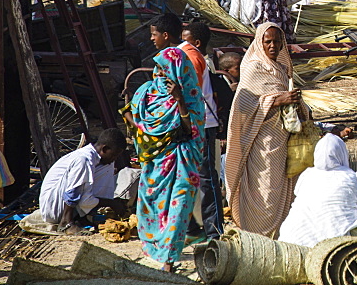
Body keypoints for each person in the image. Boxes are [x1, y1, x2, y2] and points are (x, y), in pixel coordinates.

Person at [127, 46, 204, 271]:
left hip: (182, 160)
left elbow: (192, 131)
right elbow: (135, 120)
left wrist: (179, 100)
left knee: (179, 208)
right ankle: (156, 249)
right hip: (154, 163)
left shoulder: (191, 94)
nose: (160, 74)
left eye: (166, 69)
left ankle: (169, 260)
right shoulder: (145, 93)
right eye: (158, 68)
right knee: (155, 210)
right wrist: (146, 133)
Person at [224, 23, 302, 238]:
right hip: (261, 141)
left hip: (282, 138)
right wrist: (277, 100)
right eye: (268, 41)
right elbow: (244, 105)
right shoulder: (253, 69)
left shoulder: (281, 69)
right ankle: (258, 233)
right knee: (265, 186)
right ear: (259, 42)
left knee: (282, 186)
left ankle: (279, 233)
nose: (273, 46)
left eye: (277, 41)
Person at [277, 133, 357, 246]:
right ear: (342, 153)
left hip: (292, 242)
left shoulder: (306, 175)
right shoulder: (354, 177)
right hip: (335, 246)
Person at [180, 22, 223, 240]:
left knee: (206, 178)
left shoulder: (194, 58)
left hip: (203, 125)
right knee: (190, 177)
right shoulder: (190, 56)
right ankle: (191, 227)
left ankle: (214, 230)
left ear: (196, 43)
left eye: (185, 40)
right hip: (194, 124)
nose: (181, 44)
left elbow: (191, 92)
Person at [39, 129, 126, 233]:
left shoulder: (97, 157)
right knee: (84, 169)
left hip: (68, 203)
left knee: (108, 165)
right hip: (53, 207)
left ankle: (84, 216)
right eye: (114, 155)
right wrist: (111, 203)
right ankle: (66, 222)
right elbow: (73, 191)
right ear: (105, 148)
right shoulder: (83, 159)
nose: (114, 159)